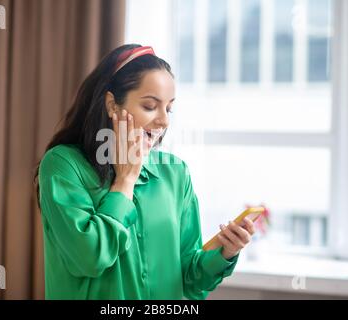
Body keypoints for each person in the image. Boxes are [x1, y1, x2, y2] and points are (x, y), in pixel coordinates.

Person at [35, 44, 255, 299]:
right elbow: (90, 257)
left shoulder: (176, 175)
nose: (164, 121)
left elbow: (188, 281)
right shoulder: (63, 165)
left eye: (169, 108)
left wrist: (225, 253)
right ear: (112, 106)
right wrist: (125, 182)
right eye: (151, 106)